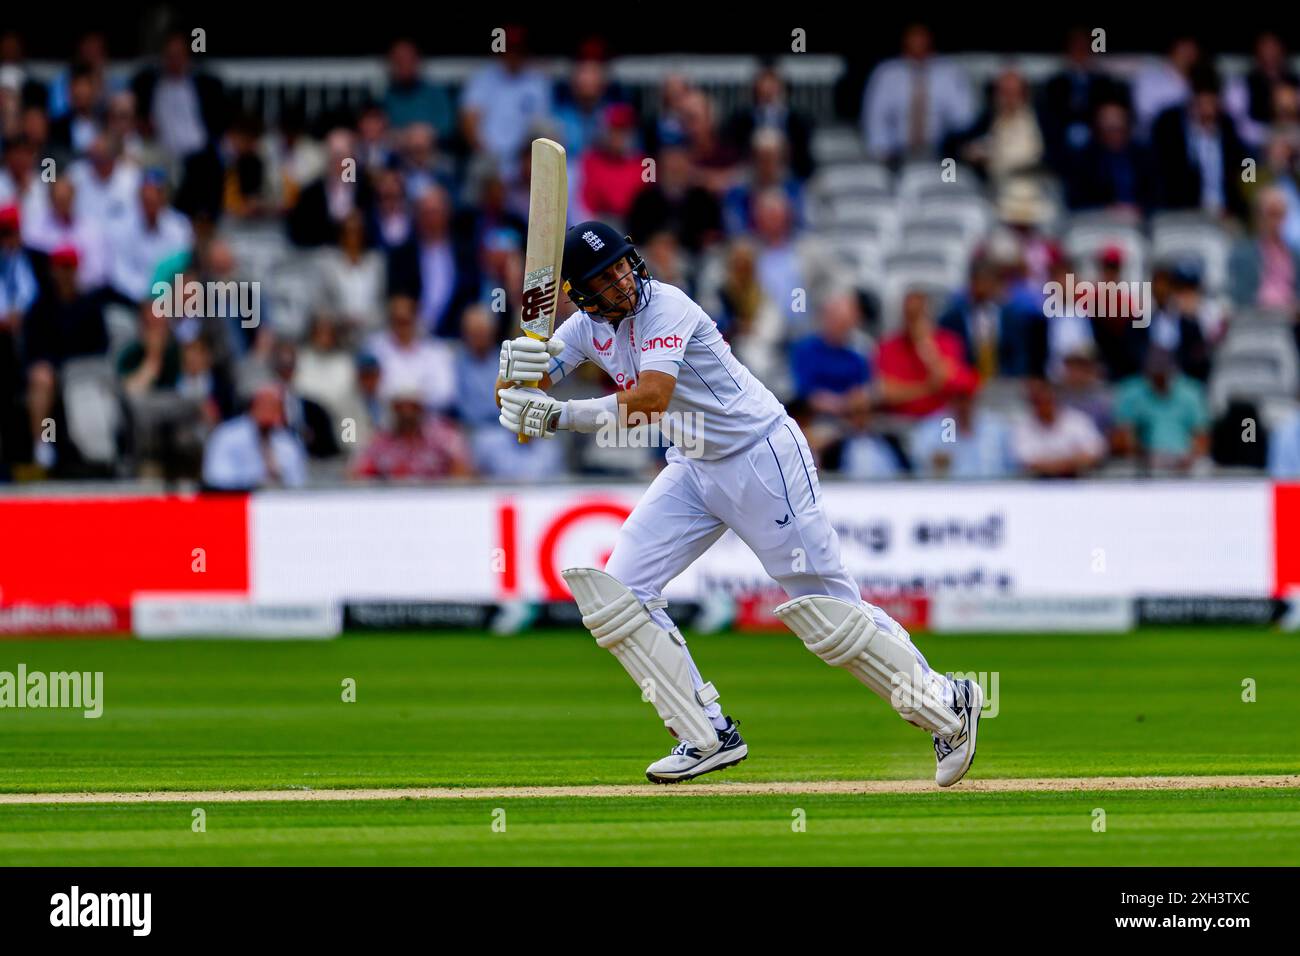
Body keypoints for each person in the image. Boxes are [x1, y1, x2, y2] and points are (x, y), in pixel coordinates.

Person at [495, 221, 984, 786]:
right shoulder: (582, 328)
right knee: (618, 598)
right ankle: (704, 735)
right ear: (582, 295)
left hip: (760, 456)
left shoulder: (667, 307)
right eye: (604, 279)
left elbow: (651, 399)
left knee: (825, 613)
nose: (622, 282)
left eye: (623, 265)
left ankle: (949, 703)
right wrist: (518, 369)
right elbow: (510, 402)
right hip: (693, 465)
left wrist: (560, 414)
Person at [202, 383, 307, 490]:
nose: (268, 412)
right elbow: (216, 477)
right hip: (237, 499)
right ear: (254, 406)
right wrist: (256, 484)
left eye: (274, 407)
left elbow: (297, 482)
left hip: (279, 502)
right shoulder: (227, 435)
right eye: (264, 405)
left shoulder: (287, 442)